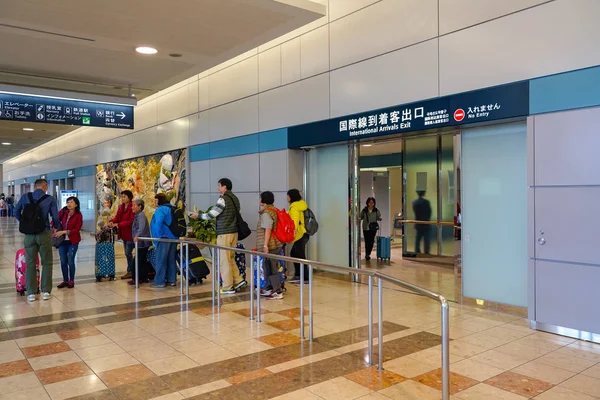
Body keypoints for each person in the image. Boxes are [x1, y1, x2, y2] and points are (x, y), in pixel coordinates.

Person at [190, 178, 246, 294]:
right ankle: (239, 280)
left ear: (224, 187)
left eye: (219, 186)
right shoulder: (235, 199)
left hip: (224, 233)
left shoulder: (223, 199)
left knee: (224, 260)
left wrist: (198, 216)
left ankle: (227, 286)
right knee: (230, 257)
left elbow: (212, 214)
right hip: (234, 232)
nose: (218, 188)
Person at [14, 179, 60, 302]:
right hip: (43, 233)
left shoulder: (25, 197)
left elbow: (16, 211)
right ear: (45, 187)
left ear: (35, 187)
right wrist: (55, 228)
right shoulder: (50, 199)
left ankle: (31, 293)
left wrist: (25, 223)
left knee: (30, 263)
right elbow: (55, 216)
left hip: (29, 235)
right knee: (47, 262)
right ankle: (45, 292)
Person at [256, 191, 284, 300]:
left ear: (264, 200)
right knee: (267, 266)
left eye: (261, 198)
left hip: (271, 244)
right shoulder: (274, 210)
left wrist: (265, 245)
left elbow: (268, 230)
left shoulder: (267, 213)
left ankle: (277, 291)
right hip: (275, 243)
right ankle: (269, 287)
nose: (259, 201)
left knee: (271, 267)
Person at [150, 193, 178, 288]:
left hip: (164, 238)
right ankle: (171, 280)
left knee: (160, 259)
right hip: (174, 237)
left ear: (159, 200)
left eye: (155, 200)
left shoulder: (160, 209)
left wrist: (159, 235)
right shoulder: (171, 208)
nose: (154, 202)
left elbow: (159, 222)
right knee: (171, 259)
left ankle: (159, 281)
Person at [54, 196, 83, 289]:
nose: (69, 204)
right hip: (62, 241)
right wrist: (54, 229)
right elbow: (55, 220)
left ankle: (71, 280)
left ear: (76, 204)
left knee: (70, 261)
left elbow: (77, 229)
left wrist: (64, 232)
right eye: (68, 202)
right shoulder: (63, 212)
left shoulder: (78, 215)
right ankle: (65, 280)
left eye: (71, 202)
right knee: (63, 261)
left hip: (73, 241)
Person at [108, 190, 135, 280]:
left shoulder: (133, 207)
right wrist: (112, 221)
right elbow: (117, 217)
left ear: (129, 197)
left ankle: (131, 271)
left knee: (128, 253)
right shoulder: (121, 207)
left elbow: (131, 221)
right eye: (122, 196)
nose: (122, 198)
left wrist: (118, 224)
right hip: (124, 234)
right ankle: (131, 270)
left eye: (124, 196)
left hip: (131, 233)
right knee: (127, 253)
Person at [287, 189, 309, 283]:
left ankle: (304, 278)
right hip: (303, 233)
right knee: (295, 254)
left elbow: (294, 222)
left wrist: (292, 233)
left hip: (299, 234)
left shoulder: (294, 207)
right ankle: (299, 275)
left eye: (288, 196)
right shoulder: (301, 204)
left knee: (300, 256)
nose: (287, 198)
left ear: (291, 197)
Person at [131, 198, 152, 285]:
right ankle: (143, 278)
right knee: (141, 260)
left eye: (134, 205)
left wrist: (137, 236)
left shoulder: (141, 216)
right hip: (140, 242)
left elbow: (141, 227)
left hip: (142, 242)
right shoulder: (138, 215)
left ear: (140, 207)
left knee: (138, 261)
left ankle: (137, 278)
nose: (132, 207)